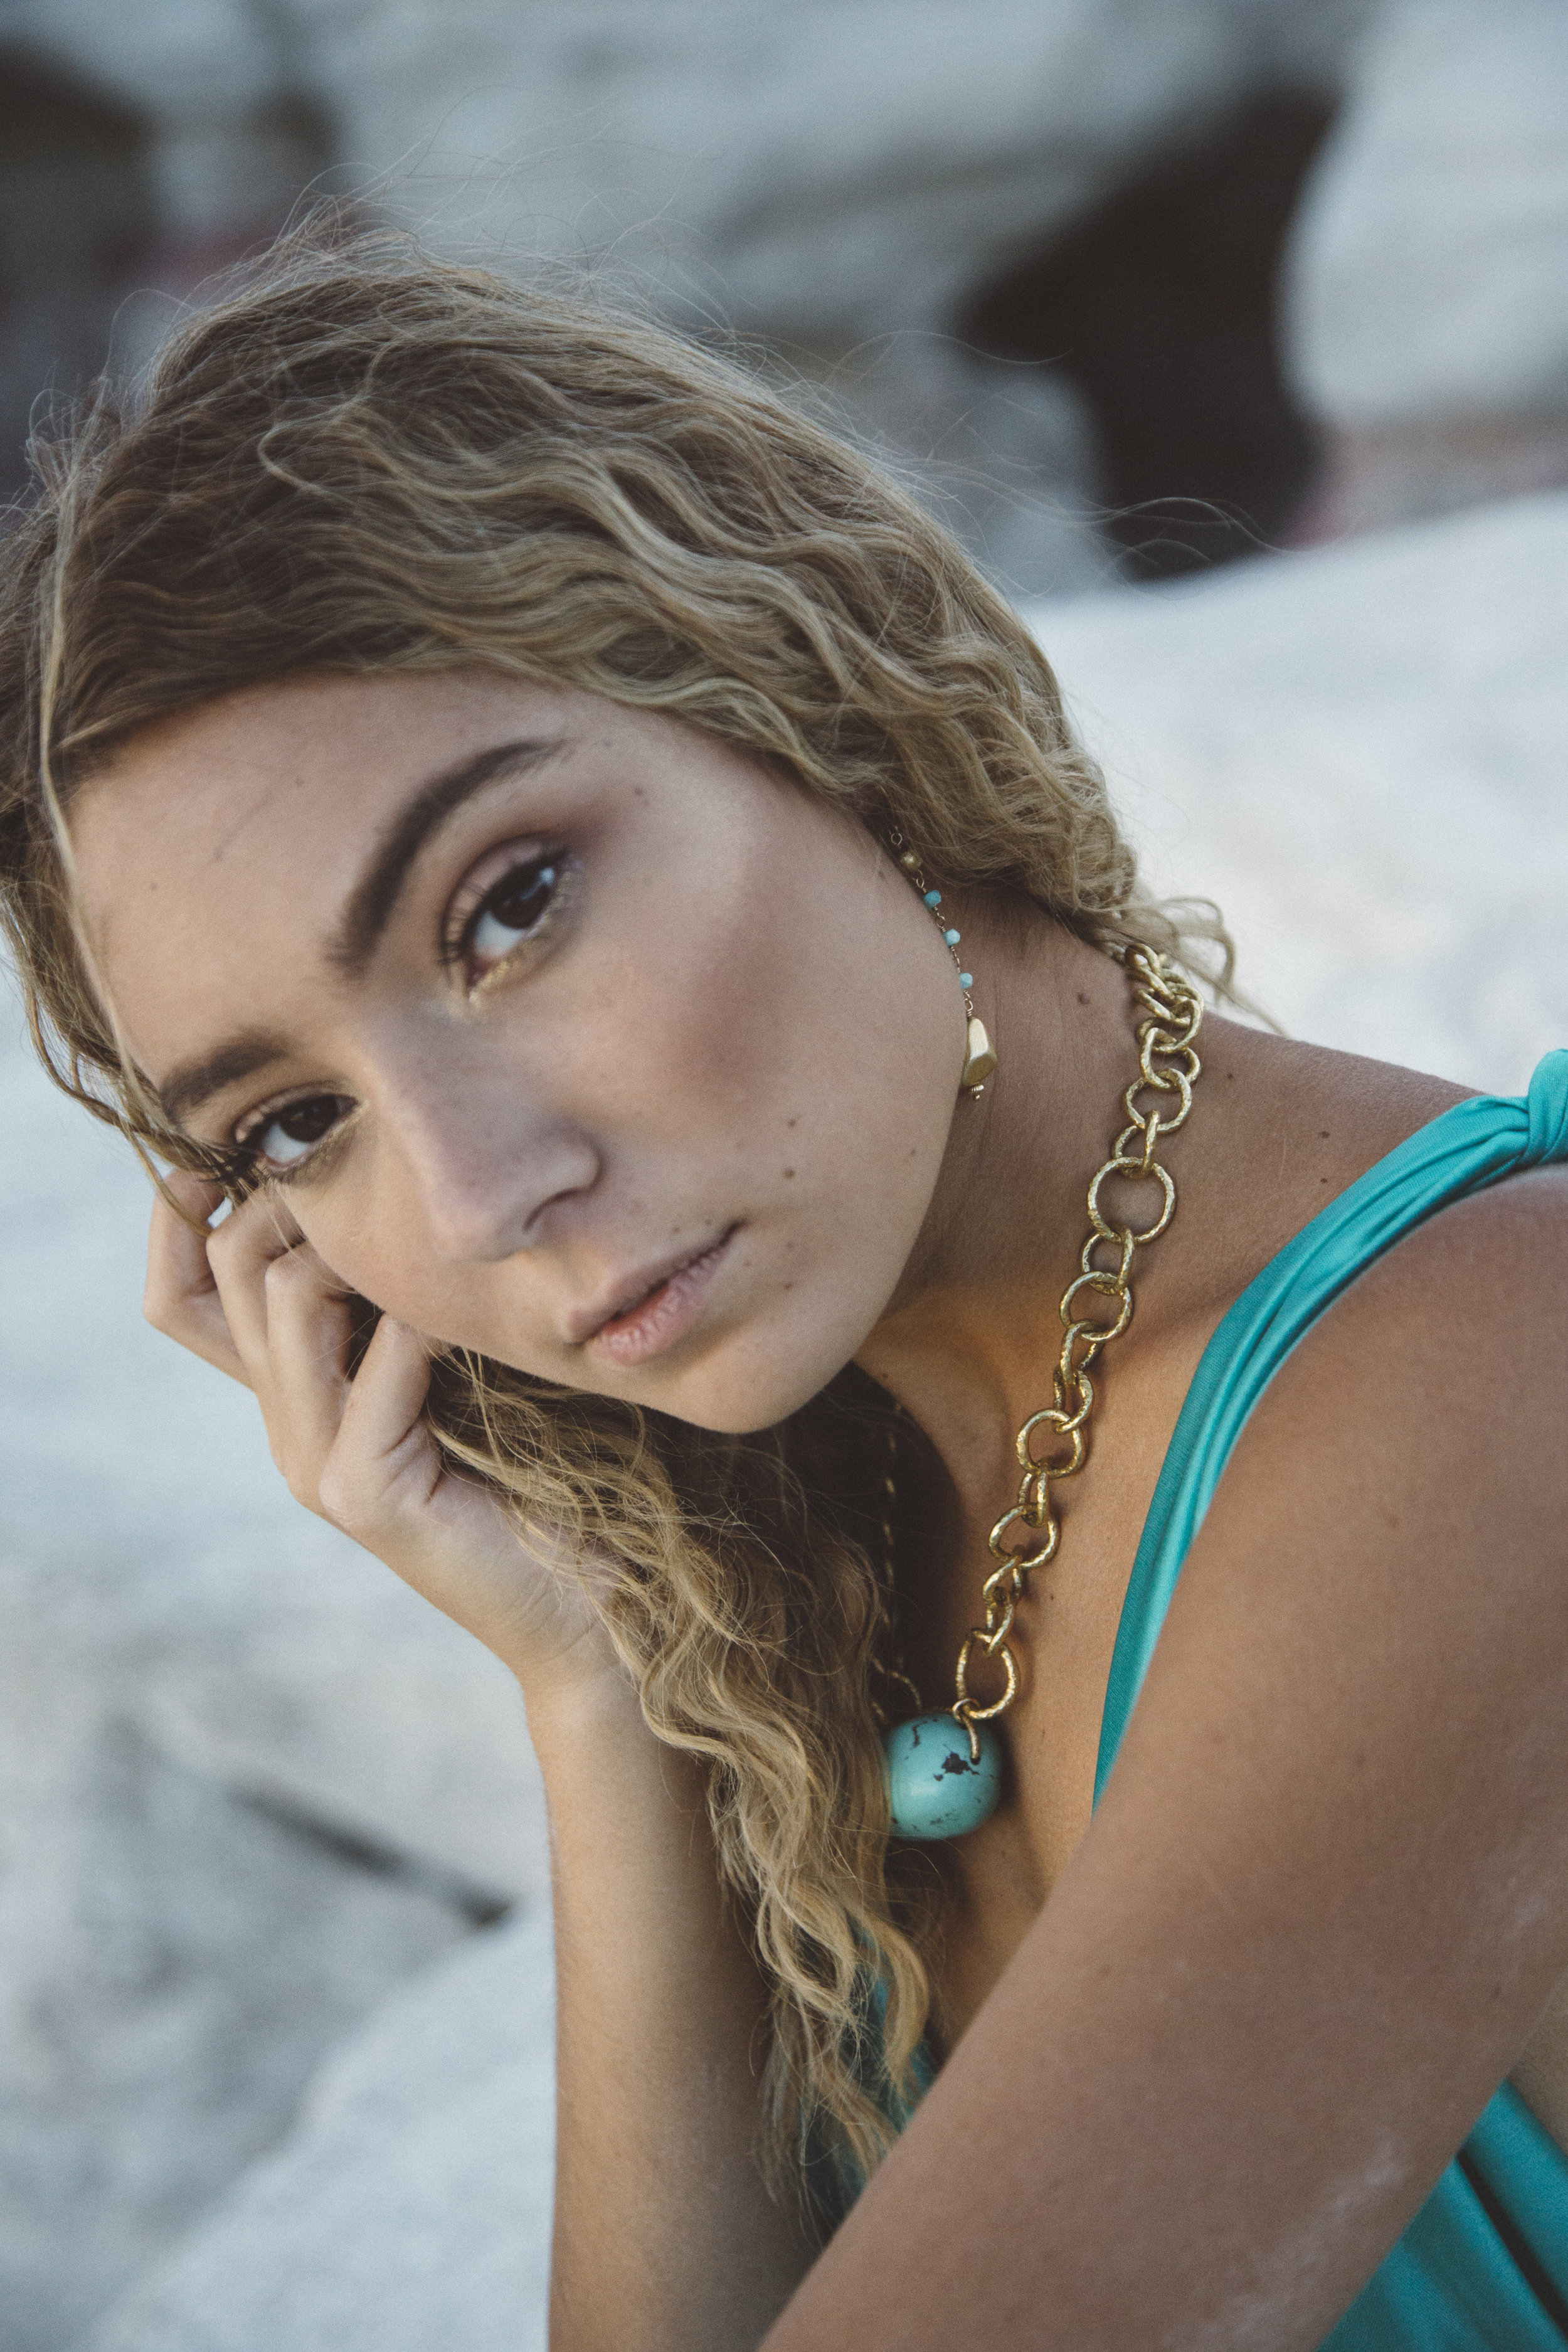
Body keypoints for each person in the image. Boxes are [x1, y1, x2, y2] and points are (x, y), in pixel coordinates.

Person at [1, 225, 1566, 2352]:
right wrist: (598, 1687)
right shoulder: (830, 1544)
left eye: (510, 907)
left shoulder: (1496, 1378)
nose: (479, 1197)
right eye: (294, 1123)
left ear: (820, 703)